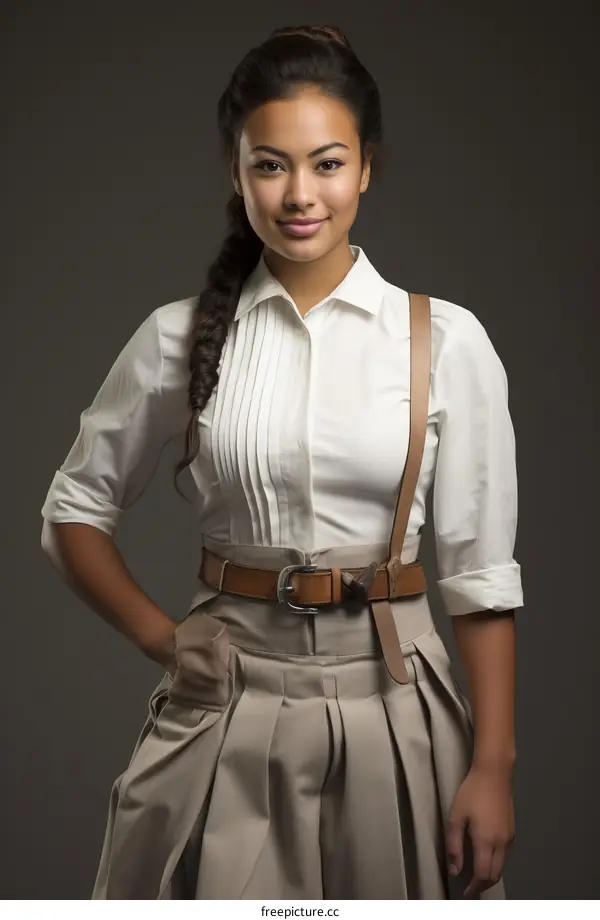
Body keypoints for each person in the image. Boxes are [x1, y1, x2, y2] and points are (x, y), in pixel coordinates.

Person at [40, 23, 523, 900]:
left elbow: (482, 579)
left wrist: (493, 767)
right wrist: (161, 638)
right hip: (224, 703)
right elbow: (72, 511)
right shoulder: (175, 339)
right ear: (237, 172)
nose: (300, 193)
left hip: (397, 702)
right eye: (271, 164)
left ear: (366, 168)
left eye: (328, 163)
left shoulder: (446, 343)